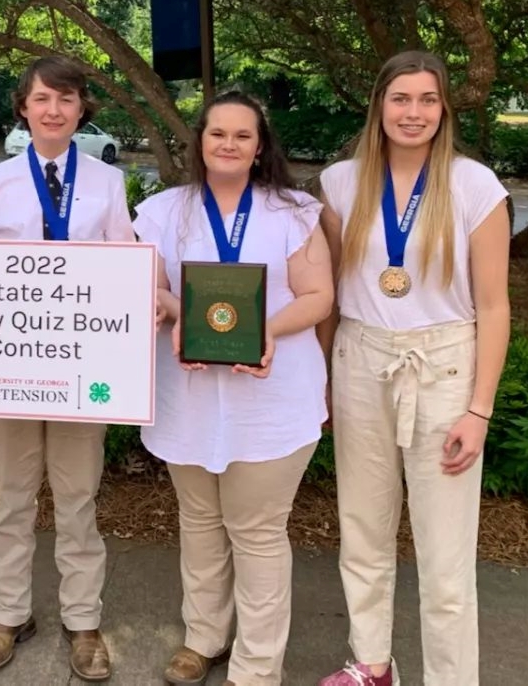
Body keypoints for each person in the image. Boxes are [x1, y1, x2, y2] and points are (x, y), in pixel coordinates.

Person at [316, 51, 510, 686]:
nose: (413, 112)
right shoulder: (341, 182)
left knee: (445, 554)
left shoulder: (476, 186)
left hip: (445, 368)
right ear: (379, 105)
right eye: (401, 98)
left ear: (443, 109)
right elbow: (327, 293)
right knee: (363, 532)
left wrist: (479, 409)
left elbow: (493, 305)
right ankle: (372, 664)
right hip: (359, 362)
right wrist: (319, 379)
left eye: (427, 100)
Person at [133, 90, 333, 686]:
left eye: (242, 136)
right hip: (186, 395)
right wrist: (175, 314)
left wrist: (263, 332)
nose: (228, 144)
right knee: (197, 521)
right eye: (217, 133)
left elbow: (319, 296)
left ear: (260, 146)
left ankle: (257, 664)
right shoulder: (165, 211)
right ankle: (204, 637)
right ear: (200, 141)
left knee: (258, 531)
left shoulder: (294, 211)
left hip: (271, 398)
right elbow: (153, 287)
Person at [0, 55, 134, 682]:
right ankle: (8, 614)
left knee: (77, 498)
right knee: (12, 497)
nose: (53, 110)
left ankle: (83, 620)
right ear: (24, 108)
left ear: (81, 107)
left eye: (65, 99)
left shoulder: (108, 183)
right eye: (41, 99)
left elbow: (125, 261)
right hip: (11, 368)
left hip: (80, 369)